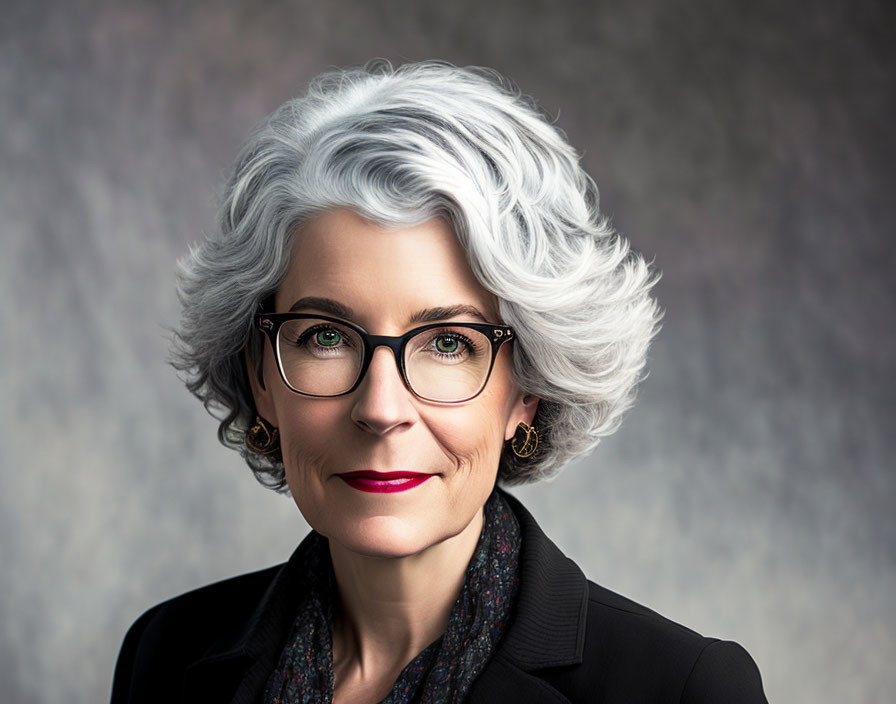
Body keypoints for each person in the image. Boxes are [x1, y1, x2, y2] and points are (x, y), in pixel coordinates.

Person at [111, 60, 768, 703]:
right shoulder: (167, 656)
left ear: (528, 389)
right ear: (261, 379)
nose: (381, 408)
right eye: (327, 337)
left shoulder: (682, 689)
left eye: (448, 343)